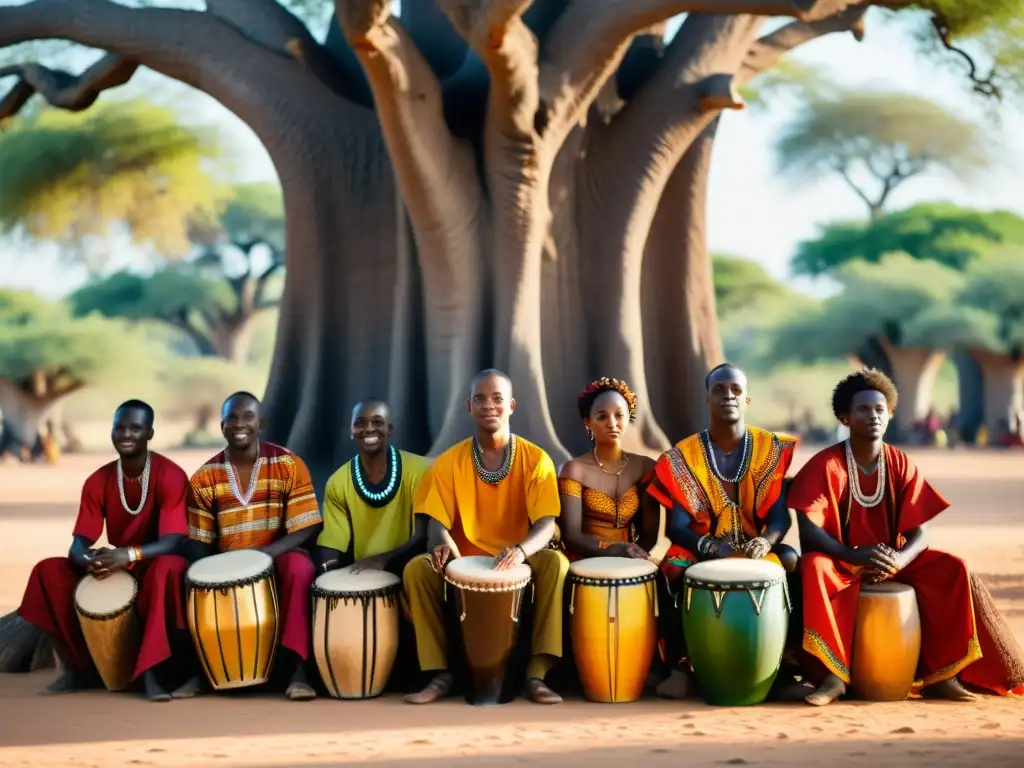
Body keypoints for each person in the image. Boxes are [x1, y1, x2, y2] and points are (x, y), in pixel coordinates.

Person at [791, 368, 1023, 706]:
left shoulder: (900, 462)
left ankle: (942, 676)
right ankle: (833, 677)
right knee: (814, 566)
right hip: (843, 562)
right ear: (845, 416)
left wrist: (899, 559)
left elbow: (920, 532)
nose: (873, 416)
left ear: (890, 415)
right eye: (863, 409)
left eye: (880, 409)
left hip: (892, 561)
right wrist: (851, 554)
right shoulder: (825, 465)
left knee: (953, 568)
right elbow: (809, 529)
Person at [402, 369, 569, 705]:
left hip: (519, 555)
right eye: (480, 398)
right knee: (417, 570)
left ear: (511, 405)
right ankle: (439, 673)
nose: (488, 405)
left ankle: (538, 673)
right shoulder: (449, 462)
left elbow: (546, 523)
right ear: (469, 407)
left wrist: (521, 551)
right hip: (465, 558)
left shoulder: (536, 460)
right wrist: (440, 539)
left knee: (555, 562)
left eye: (496, 399)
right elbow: (435, 518)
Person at [17, 400, 191, 702]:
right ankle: (76, 667)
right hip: (115, 561)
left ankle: (151, 672)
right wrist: (83, 556)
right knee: (49, 571)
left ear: (149, 433)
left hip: (153, 561)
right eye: (119, 428)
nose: (126, 434)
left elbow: (174, 539)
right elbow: (81, 538)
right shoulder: (99, 480)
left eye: (135, 428)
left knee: (168, 568)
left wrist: (131, 555)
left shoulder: (170, 474)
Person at [647, 363, 800, 699]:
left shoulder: (769, 449)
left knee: (790, 559)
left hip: (758, 548)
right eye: (719, 389)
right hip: (702, 546)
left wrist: (765, 541)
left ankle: (786, 664)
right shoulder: (682, 457)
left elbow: (779, 521)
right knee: (672, 566)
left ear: (747, 399)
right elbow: (678, 529)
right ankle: (679, 664)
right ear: (707, 398)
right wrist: (714, 548)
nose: (728, 395)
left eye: (735, 390)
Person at [185, 391, 322, 701]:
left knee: (300, 569)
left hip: (278, 555)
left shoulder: (287, 463)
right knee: (190, 578)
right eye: (231, 418)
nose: (239, 424)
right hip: (228, 564)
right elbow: (200, 541)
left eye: (247, 417)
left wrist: (268, 553)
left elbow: (309, 524)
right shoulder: (205, 477)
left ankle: (298, 672)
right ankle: (204, 671)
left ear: (260, 423)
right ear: (221, 426)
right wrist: (208, 573)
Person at [315, 399, 432, 575]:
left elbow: (421, 537)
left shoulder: (420, 471)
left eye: (377, 422)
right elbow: (333, 544)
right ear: (351, 430)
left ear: (389, 429)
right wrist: (327, 571)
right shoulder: (337, 482)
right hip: (363, 575)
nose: (369, 429)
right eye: (360, 423)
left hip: (409, 571)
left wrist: (382, 560)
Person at [558, 377, 659, 561]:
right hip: (585, 560)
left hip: (631, 559)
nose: (612, 423)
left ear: (629, 417)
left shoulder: (646, 467)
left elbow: (649, 534)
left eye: (619, 415)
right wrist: (610, 551)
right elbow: (572, 536)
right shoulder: (574, 470)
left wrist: (631, 555)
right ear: (588, 422)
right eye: (602, 416)